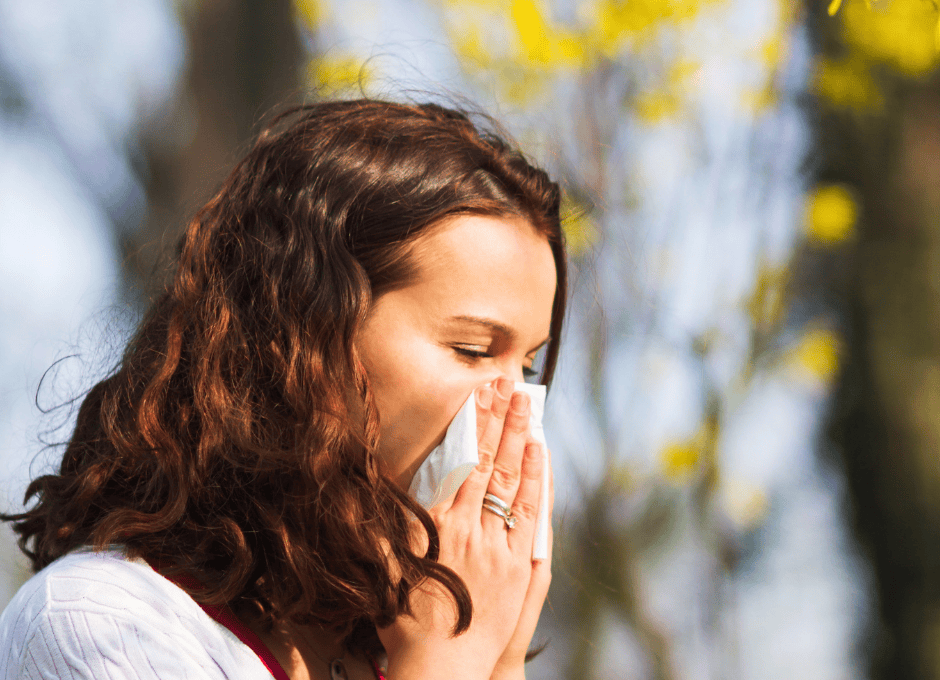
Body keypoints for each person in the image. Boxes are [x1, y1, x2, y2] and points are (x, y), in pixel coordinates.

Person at [0, 98, 568, 680]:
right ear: (307, 336)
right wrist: (448, 660)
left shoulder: (393, 639)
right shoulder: (102, 623)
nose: (518, 408)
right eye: (472, 349)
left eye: (526, 366)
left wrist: (496, 658)